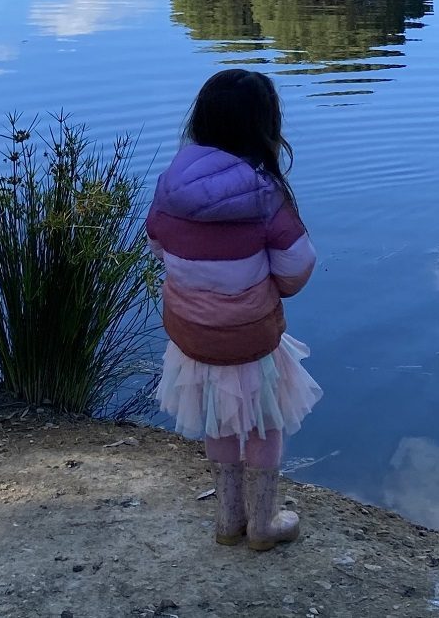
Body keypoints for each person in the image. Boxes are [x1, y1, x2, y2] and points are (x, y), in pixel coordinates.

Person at [146, 68, 321, 551]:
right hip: (250, 332)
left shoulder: (170, 184)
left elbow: (158, 243)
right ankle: (263, 526)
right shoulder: (265, 194)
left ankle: (228, 520)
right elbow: (298, 264)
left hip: (192, 331)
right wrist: (271, 287)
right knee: (265, 420)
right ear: (263, 127)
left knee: (217, 419)